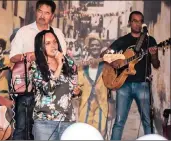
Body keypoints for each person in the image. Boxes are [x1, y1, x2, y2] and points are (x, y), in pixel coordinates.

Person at [9, 0, 66, 139]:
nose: (42, 15)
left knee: (43, 129)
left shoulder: (57, 33)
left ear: (52, 16)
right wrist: (30, 56)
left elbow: (62, 58)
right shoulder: (24, 31)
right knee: (22, 127)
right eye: (40, 11)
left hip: (50, 88)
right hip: (28, 87)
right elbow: (12, 57)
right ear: (35, 12)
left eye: (47, 13)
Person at [104, 11, 160, 140]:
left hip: (143, 85)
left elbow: (156, 65)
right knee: (119, 122)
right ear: (130, 22)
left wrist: (154, 54)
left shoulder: (150, 40)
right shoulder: (123, 40)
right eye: (135, 21)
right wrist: (114, 61)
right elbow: (106, 54)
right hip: (124, 85)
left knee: (147, 121)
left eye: (140, 21)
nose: (137, 24)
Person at [31, 29, 80, 140]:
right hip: (45, 122)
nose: (53, 45)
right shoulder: (35, 67)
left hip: (67, 121)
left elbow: (73, 87)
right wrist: (59, 66)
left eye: (55, 42)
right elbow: (47, 90)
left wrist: (77, 92)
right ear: (40, 47)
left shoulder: (69, 62)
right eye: (48, 43)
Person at [78, 34, 109, 137]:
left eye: (97, 45)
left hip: (101, 104)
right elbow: (79, 85)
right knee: (84, 133)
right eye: (92, 45)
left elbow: (112, 84)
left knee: (100, 133)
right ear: (89, 48)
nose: (95, 47)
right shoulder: (83, 66)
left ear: (100, 47)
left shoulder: (106, 65)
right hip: (86, 104)